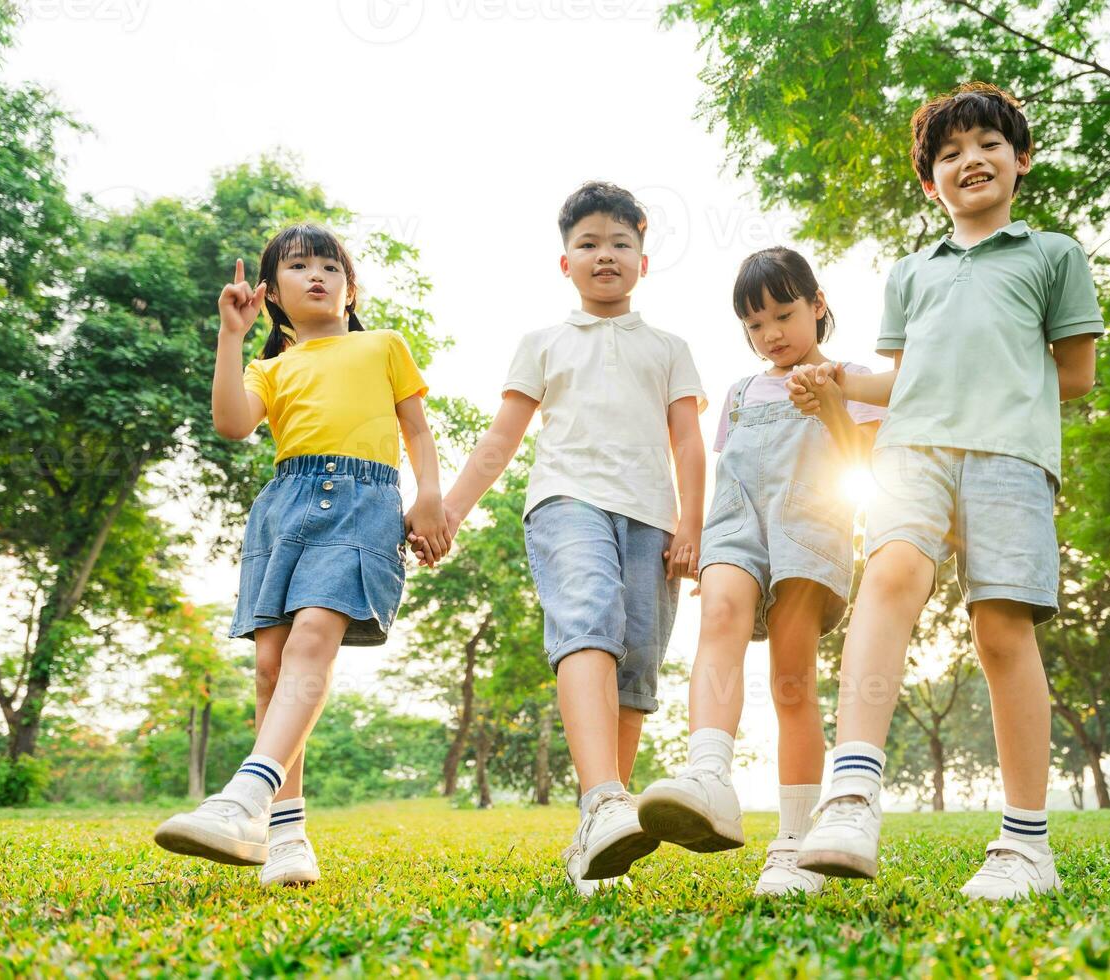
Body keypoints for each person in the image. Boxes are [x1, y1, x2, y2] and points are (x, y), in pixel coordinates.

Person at [788, 83, 1105, 900]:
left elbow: (1075, 374)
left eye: (988, 144)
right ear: (931, 182)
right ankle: (852, 796)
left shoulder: (1051, 254)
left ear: (1021, 160)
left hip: (1009, 456)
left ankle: (1026, 846)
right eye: (950, 152)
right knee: (890, 577)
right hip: (910, 450)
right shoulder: (911, 272)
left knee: (1002, 632)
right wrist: (836, 376)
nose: (971, 160)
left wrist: (996, 396)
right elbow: (898, 378)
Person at [413, 182, 706, 895]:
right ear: (564, 262)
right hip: (566, 501)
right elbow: (500, 441)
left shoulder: (669, 348)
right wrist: (448, 510)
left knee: (635, 667)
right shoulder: (542, 343)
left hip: (653, 517)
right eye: (588, 244)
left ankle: (605, 833)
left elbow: (690, 443)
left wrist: (694, 522)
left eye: (620, 243)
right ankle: (604, 797)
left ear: (644, 255)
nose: (605, 255)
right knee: (588, 620)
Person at [154, 223, 449, 887]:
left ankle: (243, 797)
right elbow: (232, 422)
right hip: (284, 509)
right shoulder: (270, 366)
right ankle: (285, 840)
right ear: (274, 294)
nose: (317, 274)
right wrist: (231, 336)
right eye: (298, 266)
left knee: (314, 639)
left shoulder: (383, 346)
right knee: (269, 665)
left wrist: (429, 498)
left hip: (360, 502)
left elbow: (417, 430)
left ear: (349, 291)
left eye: (330, 266)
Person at [634, 247, 884, 897]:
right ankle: (709, 775)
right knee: (716, 613)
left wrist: (828, 401)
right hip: (737, 521)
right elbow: (730, 470)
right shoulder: (740, 393)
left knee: (792, 681)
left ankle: (796, 845)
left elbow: (865, 461)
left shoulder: (852, 377)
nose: (771, 334)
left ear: (818, 305)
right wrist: (700, 534)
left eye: (784, 313)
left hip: (811, 520)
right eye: (755, 324)